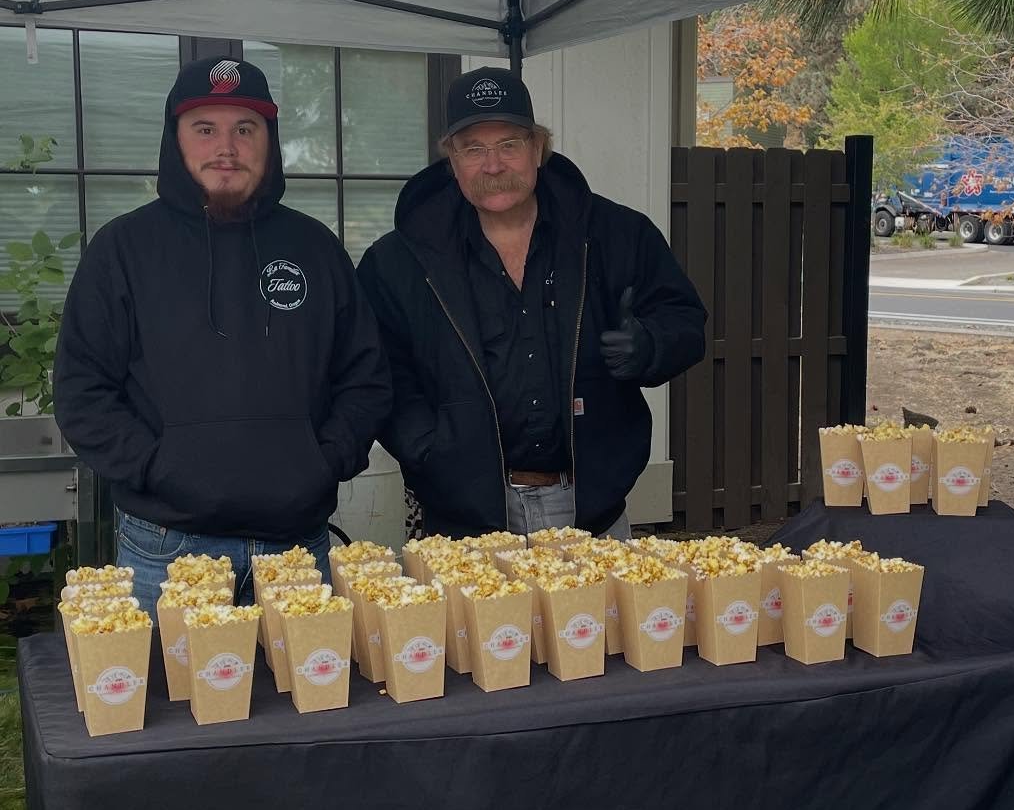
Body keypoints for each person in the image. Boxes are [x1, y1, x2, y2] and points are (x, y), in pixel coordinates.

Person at [54, 55, 390, 614]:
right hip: (166, 545)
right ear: (176, 139)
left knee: (309, 696)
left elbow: (366, 377)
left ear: (269, 140)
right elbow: (82, 389)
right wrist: (157, 467)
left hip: (295, 543)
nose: (225, 147)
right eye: (204, 128)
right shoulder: (122, 250)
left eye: (245, 128)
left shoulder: (315, 248)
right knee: (168, 700)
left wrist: (324, 459)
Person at [357, 68, 706, 539]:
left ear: (538, 148)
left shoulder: (616, 234)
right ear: (451, 159)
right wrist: (428, 448)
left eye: (509, 144)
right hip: (464, 522)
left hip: (594, 513)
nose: (493, 165)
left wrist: (651, 345)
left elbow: (684, 320)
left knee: (595, 618)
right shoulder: (397, 261)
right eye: (474, 149)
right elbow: (378, 369)